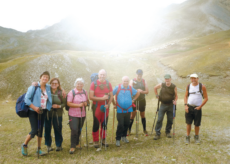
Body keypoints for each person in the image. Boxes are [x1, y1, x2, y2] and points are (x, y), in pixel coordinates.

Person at [21, 71, 52, 156]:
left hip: (43, 111)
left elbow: (57, 87)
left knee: (40, 131)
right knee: (34, 130)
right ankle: (24, 145)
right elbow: (26, 99)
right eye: (44, 76)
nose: (45, 78)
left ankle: (39, 149)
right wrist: (34, 108)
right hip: (33, 112)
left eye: (47, 77)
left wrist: (63, 91)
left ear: (48, 79)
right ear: (40, 77)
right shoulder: (33, 87)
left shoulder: (48, 87)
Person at [113, 76, 140, 146]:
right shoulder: (118, 87)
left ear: (128, 82)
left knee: (126, 123)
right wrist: (113, 103)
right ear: (122, 81)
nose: (125, 82)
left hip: (128, 110)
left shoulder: (130, 88)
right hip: (120, 110)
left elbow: (138, 93)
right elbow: (111, 94)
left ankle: (124, 137)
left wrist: (133, 100)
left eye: (127, 81)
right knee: (120, 125)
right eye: (124, 81)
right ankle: (118, 139)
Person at [89, 69, 113, 148]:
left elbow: (111, 96)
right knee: (96, 124)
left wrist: (108, 104)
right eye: (101, 74)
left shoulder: (108, 84)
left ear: (106, 75)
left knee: (104, 123)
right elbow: (91, 97)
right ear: (98, 75)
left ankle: (103, 139)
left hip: (105, 107)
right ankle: (95, 140)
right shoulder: (94, 84)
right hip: (96, 107)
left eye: (104, 75)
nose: (102, 76)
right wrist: (102, 98)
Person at [184, 73, 208, 144]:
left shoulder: (202, 86)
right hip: (189, 107)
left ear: (197, 78)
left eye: (194, 78)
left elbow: (206, 98)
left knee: (197, 124)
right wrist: (186, 105)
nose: (193, 80)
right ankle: (187, 138)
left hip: (197, 108)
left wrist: (200, 107)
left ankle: (196, 137)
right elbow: (185, 96)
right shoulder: (188, 86)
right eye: (192, 78)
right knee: (188, 123)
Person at [67, 78, 89, 154]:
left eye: (81, 83)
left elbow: (87, 101)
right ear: (75, 84)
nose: (79, 85)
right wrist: (78, 105)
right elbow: (68, 103)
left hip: (82, 114)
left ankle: (77, 143)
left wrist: (86, 103)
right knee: (74, 129)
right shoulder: (71, 92)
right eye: (78, 83)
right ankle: (72, 146)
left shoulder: (85, 92)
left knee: (79, 129)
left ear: (83, 84)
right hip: (73, 114)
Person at [44, 78, 66, 152]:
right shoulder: (46, 90)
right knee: (47, 129)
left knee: (58, 129)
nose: (54, 84)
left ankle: (59, 145)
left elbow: (65, 103)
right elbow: (41, 85)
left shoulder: (60, 92)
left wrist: (58, 106)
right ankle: (48, 145)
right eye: (52, 83)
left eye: (56, 83)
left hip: (58, 114)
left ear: (58, 84)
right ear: (50, 84)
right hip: (47, 114)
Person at [153, 74, 178, 140]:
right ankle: (157, 133)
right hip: (163, 104)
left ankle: (168, 132)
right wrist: (157, 95)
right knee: (159, 119)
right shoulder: (162, 84)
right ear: (164, 79)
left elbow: (176, 96)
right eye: (166, 78)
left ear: (170, 79)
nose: (167, 80)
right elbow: (155, 88)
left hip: (171, 105)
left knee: (170, 120)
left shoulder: (173, 86)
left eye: (168, 78)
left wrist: (175, 100)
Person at [128, 69, 149, 136]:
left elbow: (147, 91)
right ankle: (129, 130)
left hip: (142, 100)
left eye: (140, 74)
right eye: (138, 74)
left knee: (142, 115)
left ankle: (144, 130)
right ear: (136, 74)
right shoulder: (132, 80)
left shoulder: (144, 81)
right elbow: (130, 89)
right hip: (134, 100)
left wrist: (141, 91)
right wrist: (137, 90)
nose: (139, 75)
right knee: (132, 115)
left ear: (142, 75)